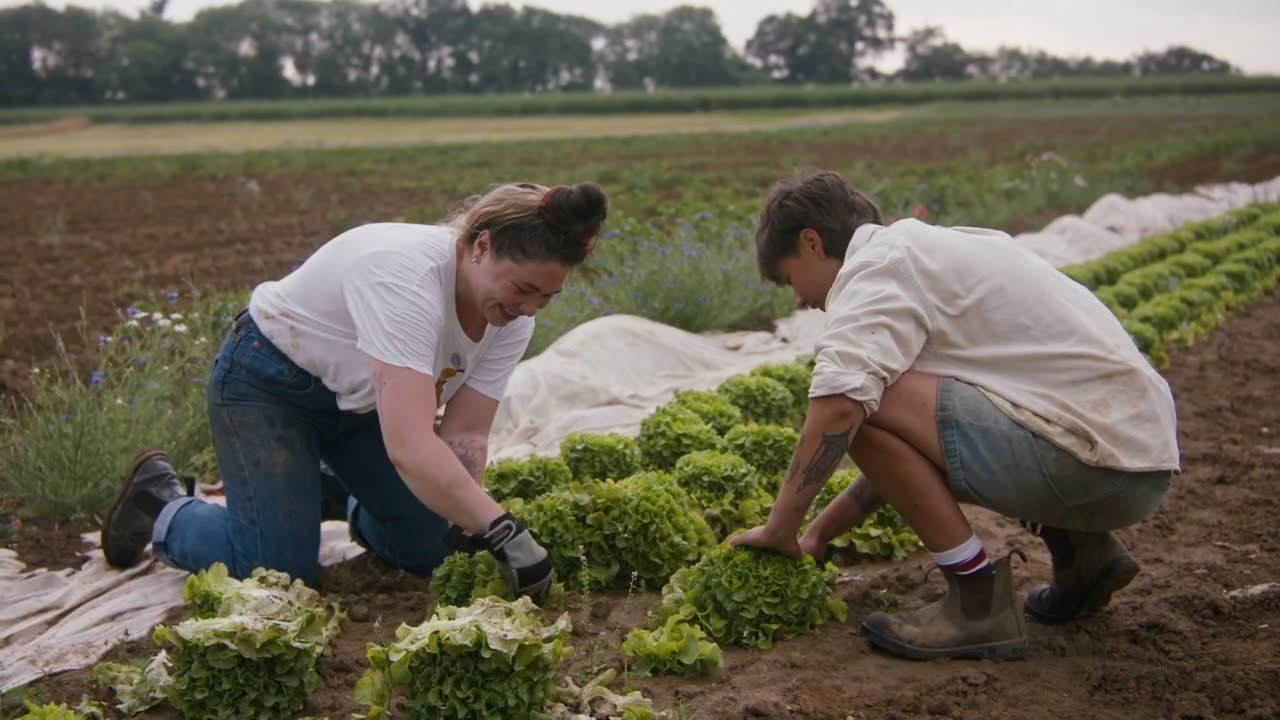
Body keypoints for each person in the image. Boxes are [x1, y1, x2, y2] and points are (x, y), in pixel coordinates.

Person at [731, 169, 1178, 660]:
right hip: (1135, 463)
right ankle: (1085, 555)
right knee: (878, 399)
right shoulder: (931, 252)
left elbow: (843, 410)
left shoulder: (876, 269)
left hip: (1089, 463)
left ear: (811, 243)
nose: (799, 299)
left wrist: (779, 530)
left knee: (860, 400)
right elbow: (911, 458)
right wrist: (818, 534)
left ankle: (976, 602)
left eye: (790, 278)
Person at [101, 181, 611, 602]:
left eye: (548, 296)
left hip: (364, 404)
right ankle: (160, 504)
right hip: (269, 386)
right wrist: (505, 531)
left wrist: (469, 525)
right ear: (481, 246)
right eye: (524, 289)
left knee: (436, 546)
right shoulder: (407, 281)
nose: (531, 308)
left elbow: (466, 433)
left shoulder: (511, 319)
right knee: (277, 574)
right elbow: (410, 446)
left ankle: (330, 491)